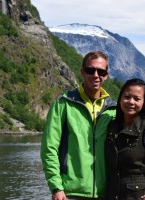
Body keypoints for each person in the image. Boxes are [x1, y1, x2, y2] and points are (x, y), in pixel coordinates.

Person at [41, 51, 117, 200]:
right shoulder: (63, 103)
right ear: (82, 72)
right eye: (90, 70)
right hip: (70, 193)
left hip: (105, 193)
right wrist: (56, 187)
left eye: (101, 71)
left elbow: (128, 144)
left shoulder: (113, 109)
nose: (96, 75)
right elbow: (49, 148)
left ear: (106, 75)